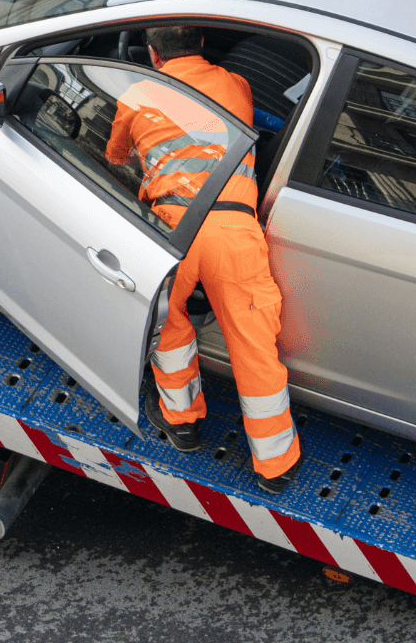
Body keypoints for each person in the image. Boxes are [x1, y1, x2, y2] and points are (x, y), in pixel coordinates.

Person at [104, 26, 303, 493]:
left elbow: (115, 156)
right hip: (233, 230)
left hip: (171, 230)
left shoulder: (138, 94)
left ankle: (182, 423)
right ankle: (275, 465)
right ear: (200, 46)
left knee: (167, 326)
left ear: (153, 55)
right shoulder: (236, 85)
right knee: (253, 343)